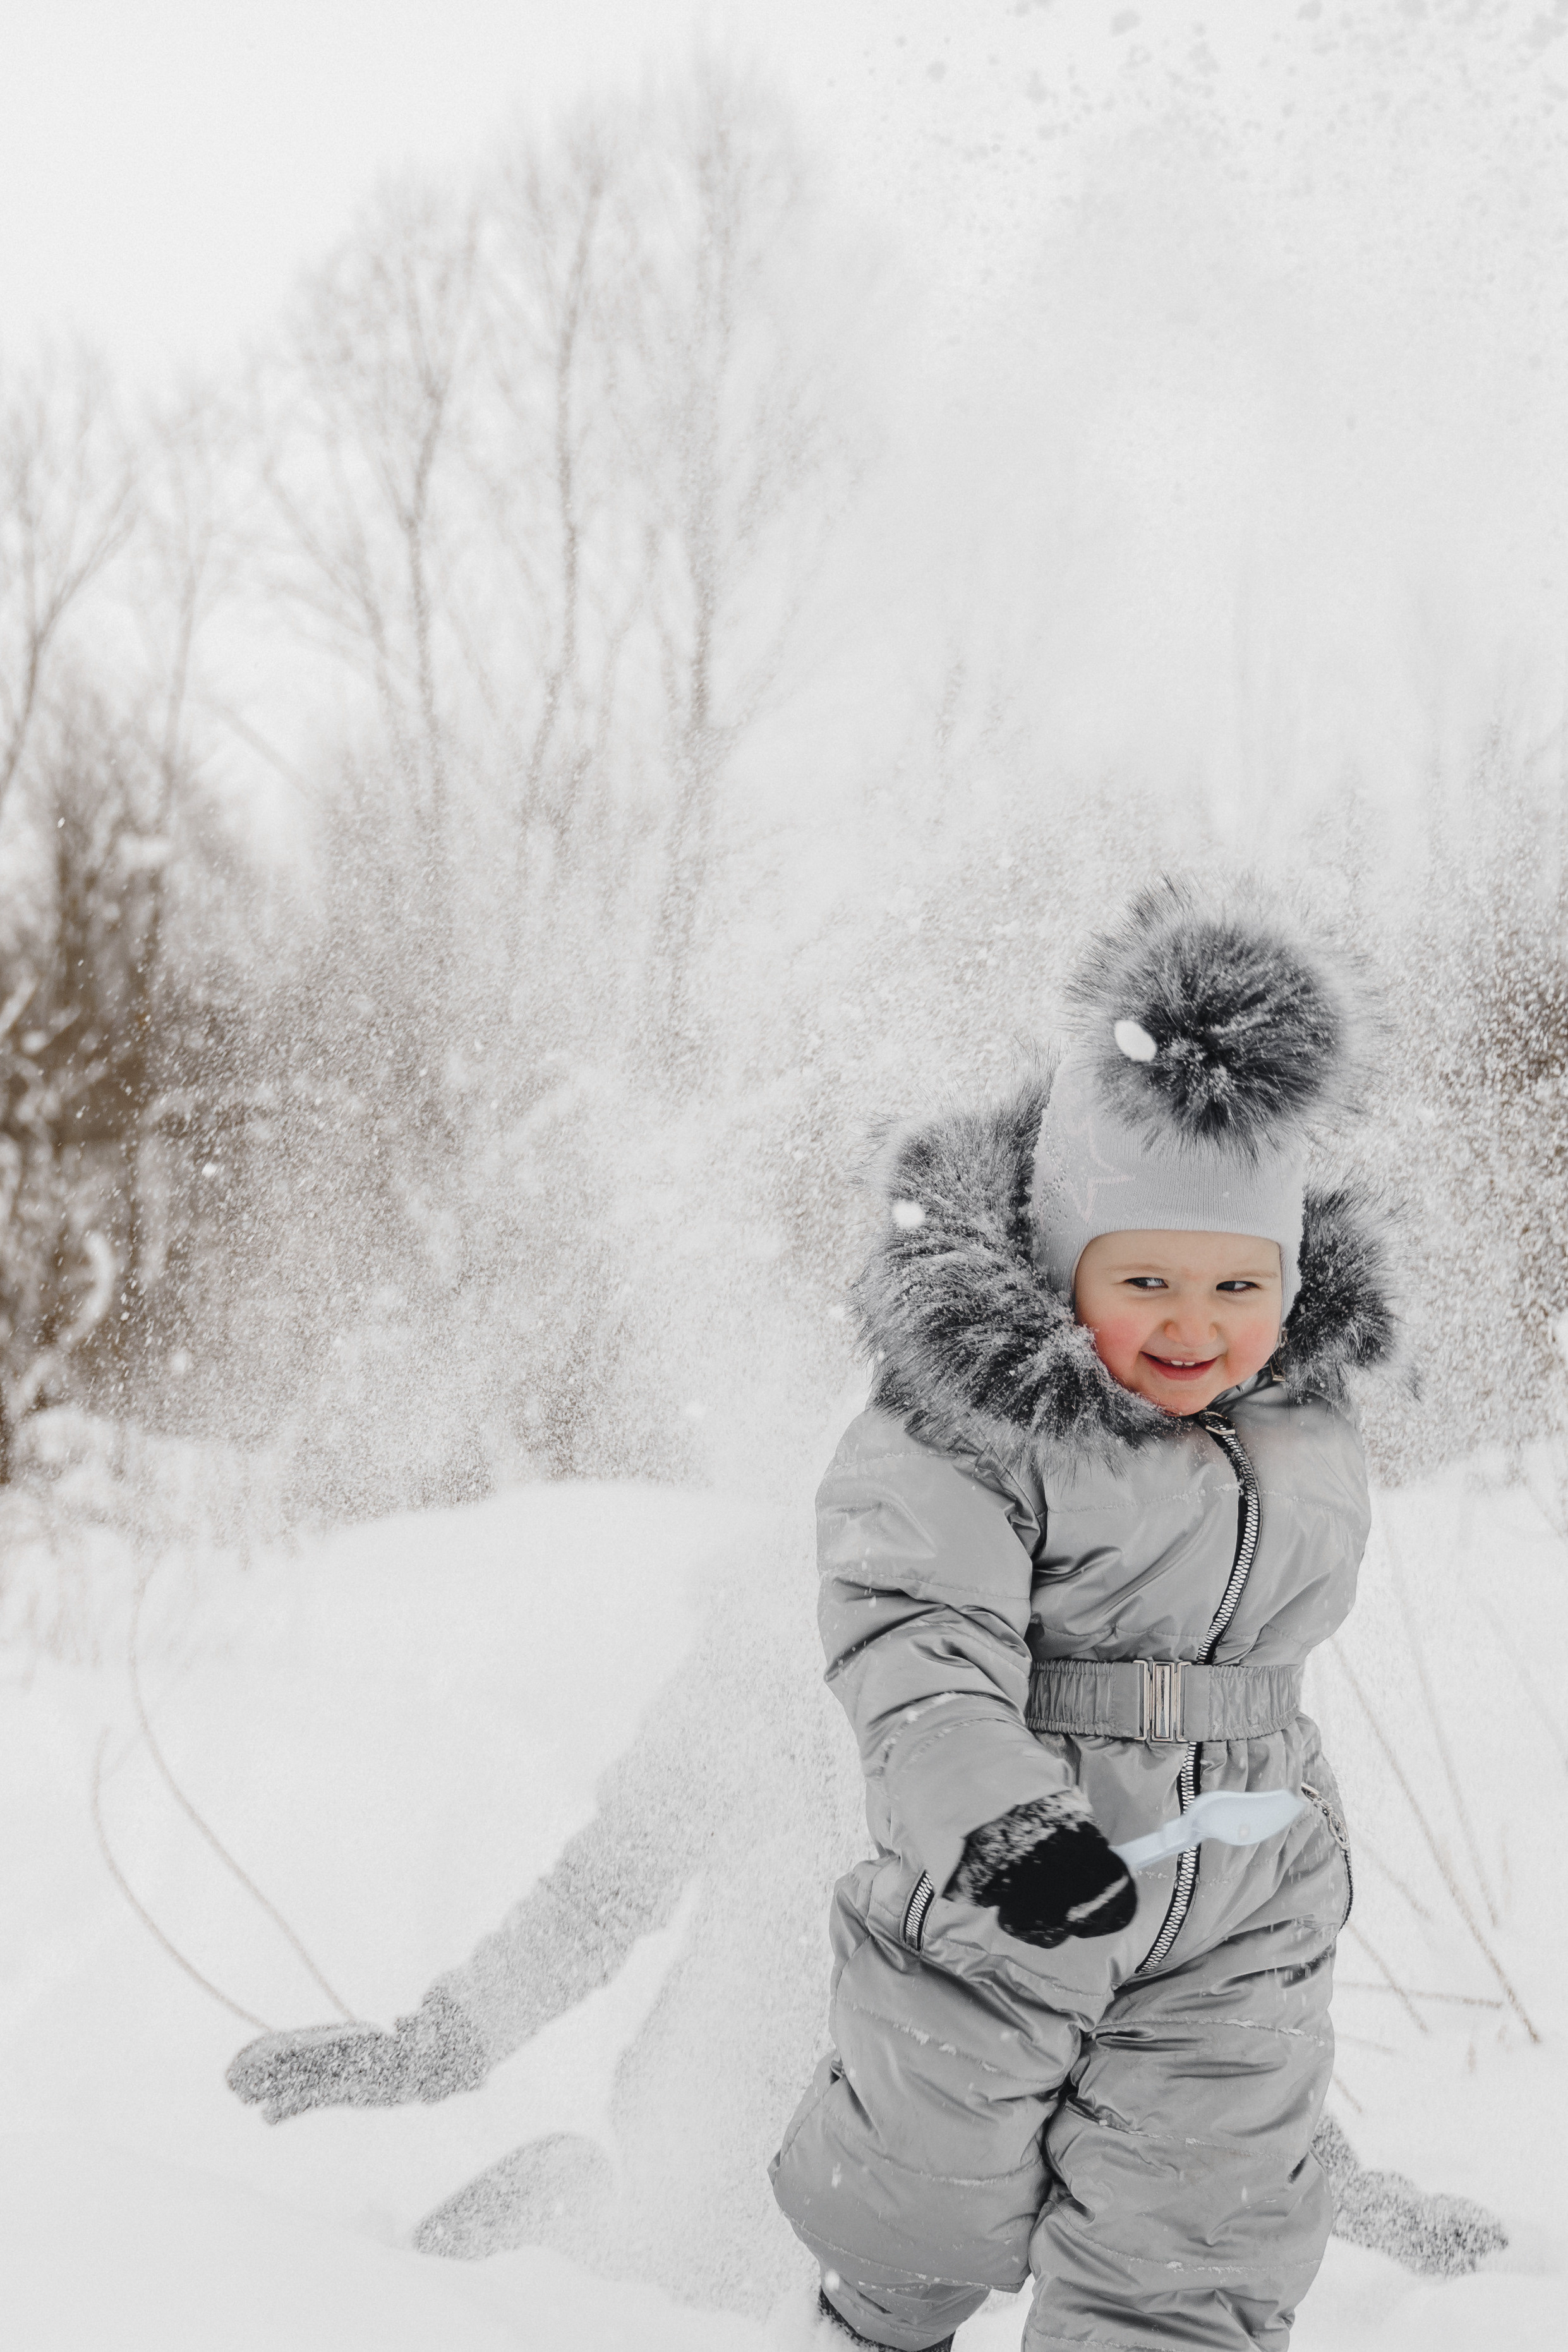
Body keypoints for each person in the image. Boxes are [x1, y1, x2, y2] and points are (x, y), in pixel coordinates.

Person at [226, 883, 1505, 2328]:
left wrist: (1366, 2199)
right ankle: (554, 2205)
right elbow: (604, 1888)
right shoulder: (783, 1672)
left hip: (974, 2146)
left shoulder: (1130, 1682)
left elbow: (1191, 2024)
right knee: (695, 2266)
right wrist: (434, 2044)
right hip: (744, 2150)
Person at [768, 882, 1504, 2352]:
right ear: (1058, 1266)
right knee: (923, 2204)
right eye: (1144, 1276)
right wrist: (998, 1822)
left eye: (1239, 1280)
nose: (1194, 1321)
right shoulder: (968, 1424)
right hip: (1015, 1878)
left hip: (1241, 1892)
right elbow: (914, 1643)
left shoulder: (1295, 1418)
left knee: (1193, 2233)